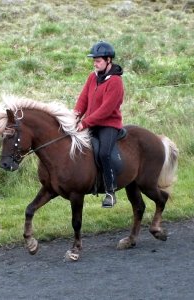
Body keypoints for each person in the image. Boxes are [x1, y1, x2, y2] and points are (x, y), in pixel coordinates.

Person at [74, 41, 124, 208]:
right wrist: (75, 115)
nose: (95, 64)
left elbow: (106, 109)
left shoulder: (115, 81)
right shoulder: (92, 77)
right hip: (92, 123)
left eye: (98, 61)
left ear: (108, 60)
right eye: (94, 61)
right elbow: (83, 99)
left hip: (109, 124)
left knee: (104, 153)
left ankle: (110, 191)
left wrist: (85, 122)